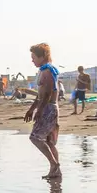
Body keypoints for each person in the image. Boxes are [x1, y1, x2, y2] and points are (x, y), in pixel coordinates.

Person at [23, 43, 61, 180]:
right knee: (49, 141)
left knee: (35, 137)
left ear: (42, 56)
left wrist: (39, 110)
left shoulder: (48, 71)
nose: (32, 60)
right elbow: (40, 95)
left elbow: (48, 94)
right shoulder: (43, 70)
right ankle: (55, 171)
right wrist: (31, 109)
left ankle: (54, 164)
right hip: (47, 107)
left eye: (34, 57)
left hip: (49, 108)